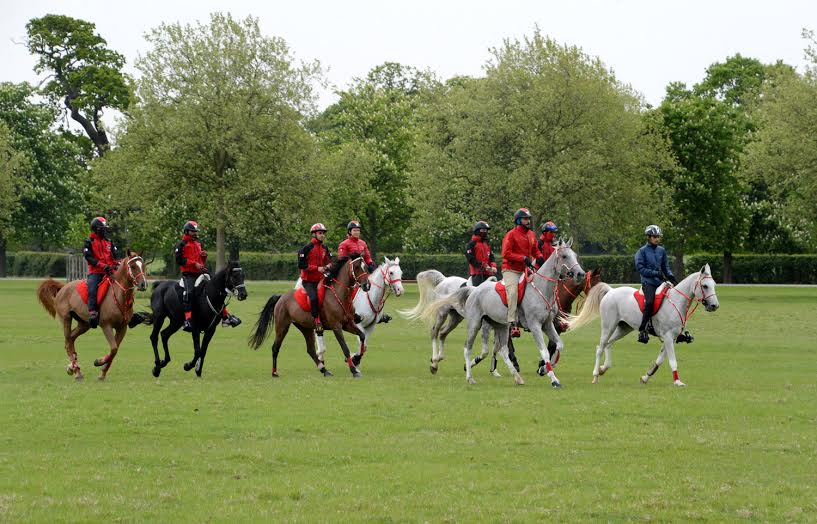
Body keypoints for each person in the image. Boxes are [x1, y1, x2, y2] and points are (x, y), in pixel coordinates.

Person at [175, 220, 241, 332]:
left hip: (200, 273)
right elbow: (179, 260)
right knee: (189, 293)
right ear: (186, 231)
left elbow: (200, 261)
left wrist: (203, 257)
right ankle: (187, 320)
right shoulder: (180, 244)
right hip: (189, 275)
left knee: (217, 291)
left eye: (196, 231)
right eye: (193, 231)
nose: (195, 233)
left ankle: (226, 317)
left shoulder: (198, 244)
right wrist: (194, 263)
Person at [501, 208, 544, 337]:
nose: (528, 221)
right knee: (513, 292)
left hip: (525, 270)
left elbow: (536, 250)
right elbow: (506, 253)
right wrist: (522, 258)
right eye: (525, 219)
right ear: (518, 220)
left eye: (528, 219)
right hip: (510, 270)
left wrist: (541, 258)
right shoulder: (511, 234)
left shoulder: (531, 234)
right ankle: (512, 322)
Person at [634, 224, 677, 343]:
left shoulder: (661, 250)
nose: (657, 239)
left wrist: (671, 277)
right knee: (650, 302)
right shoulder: (641, 251)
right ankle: (643, 330)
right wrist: (654, 273)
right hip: (648, 283)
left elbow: (665, 267)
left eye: (658, 236)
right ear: (648, 237)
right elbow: (640, 269)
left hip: (660, 283)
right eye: (654, 236)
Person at [82, 216, 121, 329]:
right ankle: (93, 312)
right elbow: (89, 258)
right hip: (96, 272)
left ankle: (129, 312)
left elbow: (115, 256)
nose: (104, 231)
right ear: (96, 229)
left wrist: (117, 263)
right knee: (92, 288)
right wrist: (102, 266)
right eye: (102, 229)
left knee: (124, 286)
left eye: (105, 229)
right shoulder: (89, 242)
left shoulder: (109, 242)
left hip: (111, 272)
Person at [298, 223, 333, 335]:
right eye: (320, 233)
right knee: (313, 298)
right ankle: (317, 322)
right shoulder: (306, 249)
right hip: (309, 281)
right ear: (314, 234)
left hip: (322, 280)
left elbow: (330, 261)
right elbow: (301, 265)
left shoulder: (325, 248)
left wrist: (328, 266)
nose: (322, 235)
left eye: (323, 233)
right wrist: (317, 268)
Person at [465, 220, 497, 287]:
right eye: (483, 230)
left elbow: (491, 257)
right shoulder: (471, 244)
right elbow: (471, 259)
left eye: (486, 230)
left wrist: (493, 266)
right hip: (477, 274)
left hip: (488, 273)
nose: (485, 232)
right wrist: (483, 266)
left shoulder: (487, 243)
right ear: (477, 231)